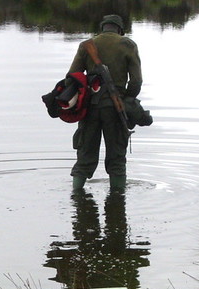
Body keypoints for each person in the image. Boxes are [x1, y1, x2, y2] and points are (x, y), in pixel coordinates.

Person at [67, 14, 142, 191]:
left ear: (102, 28)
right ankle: (118, 201)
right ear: (120, 29)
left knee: (85, 155)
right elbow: (136, 82)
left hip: (90, 108)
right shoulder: (128, 45)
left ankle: (77, 196)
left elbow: (72, 77)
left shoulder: (87, 45)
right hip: (115, 109)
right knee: (116, 158)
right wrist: (126, 101)